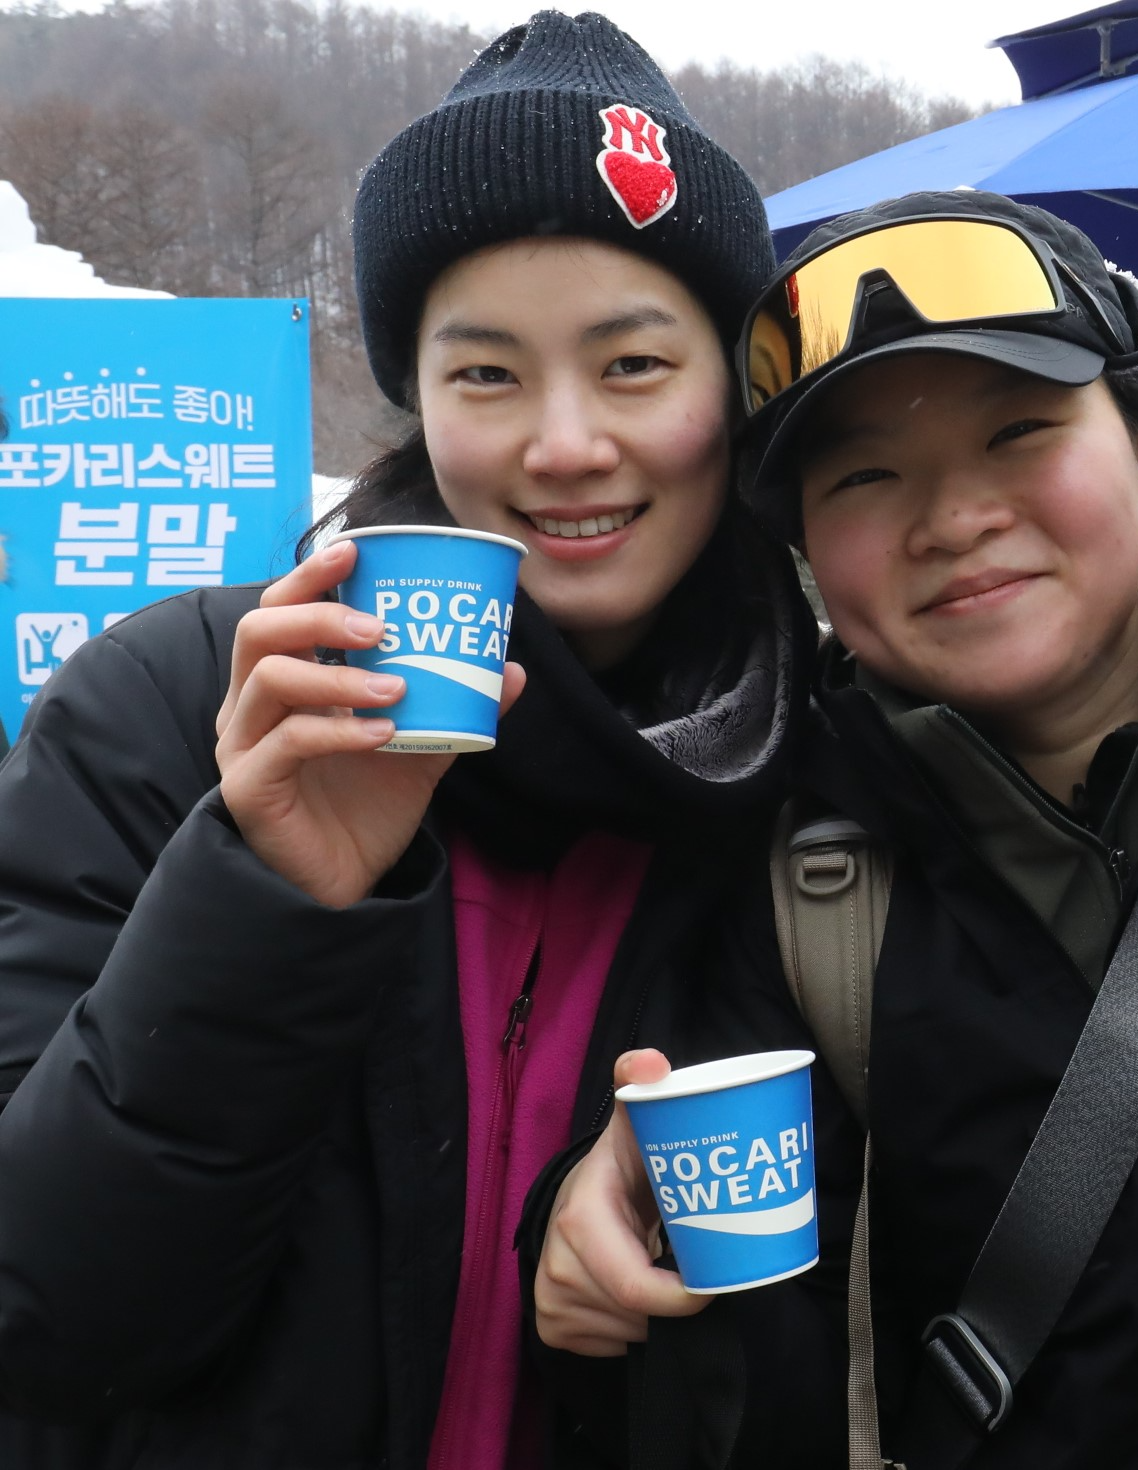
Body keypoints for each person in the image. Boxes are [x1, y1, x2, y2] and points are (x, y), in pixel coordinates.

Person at [0, 13, 821, 1465]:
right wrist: (264, 893)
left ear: (732, 394)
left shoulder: (814, 767)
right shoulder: (171, 708)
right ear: (416, 400)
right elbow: (50, 1322)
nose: (562, 444)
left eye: (633, 365)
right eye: (486, 374)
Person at [528, 191, 1138, 1469]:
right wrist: (584, 1235)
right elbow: (738, 1348)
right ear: (806, 557)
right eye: (867, 475)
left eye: (1019, 432)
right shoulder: (781, 874)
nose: (953, 519)